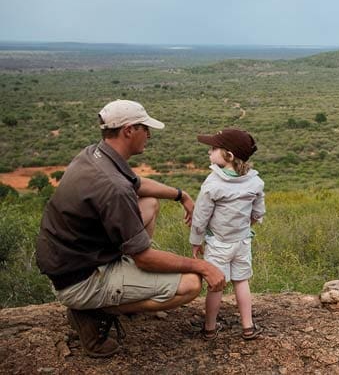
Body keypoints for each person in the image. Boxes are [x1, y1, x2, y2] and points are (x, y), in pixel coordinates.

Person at [36, 99, 225, 358]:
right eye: (144, 128)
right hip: (81, 280)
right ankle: (94, 312)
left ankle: (113, 290)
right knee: (191, 284)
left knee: (149, 203)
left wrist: (181, 195)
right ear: (128, 130)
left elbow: (137, 184)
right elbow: (145, 258)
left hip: (73, 260)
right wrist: (203, 266)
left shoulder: (95, 155)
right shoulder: (113, 187)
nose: (148, 134)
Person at [190, 128, 265, 340]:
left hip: (218, 244)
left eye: (214, 149)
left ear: (228, 156)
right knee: (241, 282)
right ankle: (248, 327)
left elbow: (200, 217)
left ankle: (210, 328)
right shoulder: (254, 182)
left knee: (216, 286)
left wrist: (196, 241)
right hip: (242, 241)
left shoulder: (213, 184)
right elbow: (258, 212)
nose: (209, 152)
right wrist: (246, 225)